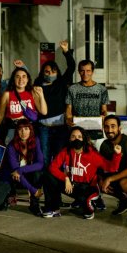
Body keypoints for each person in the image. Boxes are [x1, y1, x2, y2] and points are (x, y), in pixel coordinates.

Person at [42, 126, 122, 219]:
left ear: (84, 138)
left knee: (87, 212)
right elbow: (52, 168)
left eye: (79, 137)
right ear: (69, 139)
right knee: (48, 176)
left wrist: (117, 154)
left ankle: (93, 202)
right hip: (72, 185)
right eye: (73, 137)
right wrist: (65, 178)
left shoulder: (92, 154)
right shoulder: (66, 151)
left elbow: (111, 168)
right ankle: (52, 208)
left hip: (88, 187)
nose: (76, 139)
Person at [65, 59, 110, 209]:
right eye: (82, 71)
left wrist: (104, 116)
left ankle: (97, 197)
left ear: (92, 71)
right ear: (79, 71)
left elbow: (104, 110)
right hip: (78, 135)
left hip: (96, 133)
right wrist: (69, 120)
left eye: (88, 71)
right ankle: (80, 196)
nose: (85, 73)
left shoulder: (101, 89)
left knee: (95, 167)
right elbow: (68, 111)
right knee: (77, 166)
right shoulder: (72, 89)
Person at [34, 40, 75, 168]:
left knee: (59, 156)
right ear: (42, 73)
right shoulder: (38, 87)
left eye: (53, 71)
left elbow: (72, 67)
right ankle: (46, 185)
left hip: (60, 128)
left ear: (57, 72)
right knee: (44, 157)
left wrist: (66, 51)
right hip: (43, 127)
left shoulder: (61, 83)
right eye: (47, 72)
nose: (50, 74)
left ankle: (59, 183)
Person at [0, 119, 44, 216]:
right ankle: (10, 192)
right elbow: (15, 171)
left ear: (30, 130)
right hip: (11, 175)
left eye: (26, 129)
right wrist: (33, 190)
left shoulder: (36, 141)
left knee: (38, 173)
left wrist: (21, 170)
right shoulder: (11, 146)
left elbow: (40, 163)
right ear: (16, 131)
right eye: (20, 129)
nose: (23, 132)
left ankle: (34, 203)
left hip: (25, 173)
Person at [0, 67, 47, 144]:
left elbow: (44, 112)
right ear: (13, 79)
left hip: (29, 130)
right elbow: (0, 115)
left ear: (28, 79)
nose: (21, 79)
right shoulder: (7, 94)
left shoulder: (32, 93)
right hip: (13, 130)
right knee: (12, 153)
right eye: (17, 76)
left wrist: (41, 95)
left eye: (24, 76)